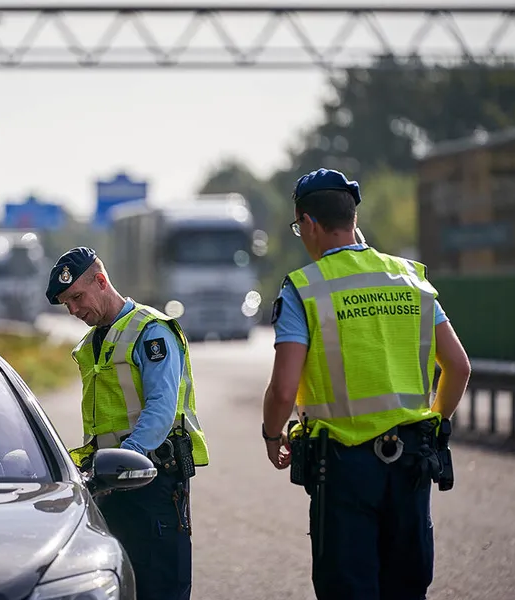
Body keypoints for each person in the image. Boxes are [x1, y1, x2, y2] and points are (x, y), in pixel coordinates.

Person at [261, 168, 471, 600]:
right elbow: (458, 366)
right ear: (352, 218)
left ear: (309, 224)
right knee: (407, 589)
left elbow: (284, 389)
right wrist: (436, 426)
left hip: (342, 470)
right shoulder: (411, 278)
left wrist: (270, 433)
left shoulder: (304, 289)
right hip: (412, 461)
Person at [45, 246, 209, 600]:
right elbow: (102, 424)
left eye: (76, 297)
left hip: (152, 479)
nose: (73, 310)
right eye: (65, 304)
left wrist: (126, 457)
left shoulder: (150, 332)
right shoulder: (92, 342)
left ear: (101, 281)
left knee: (160, 587)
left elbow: (161, 409)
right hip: (111, 484)